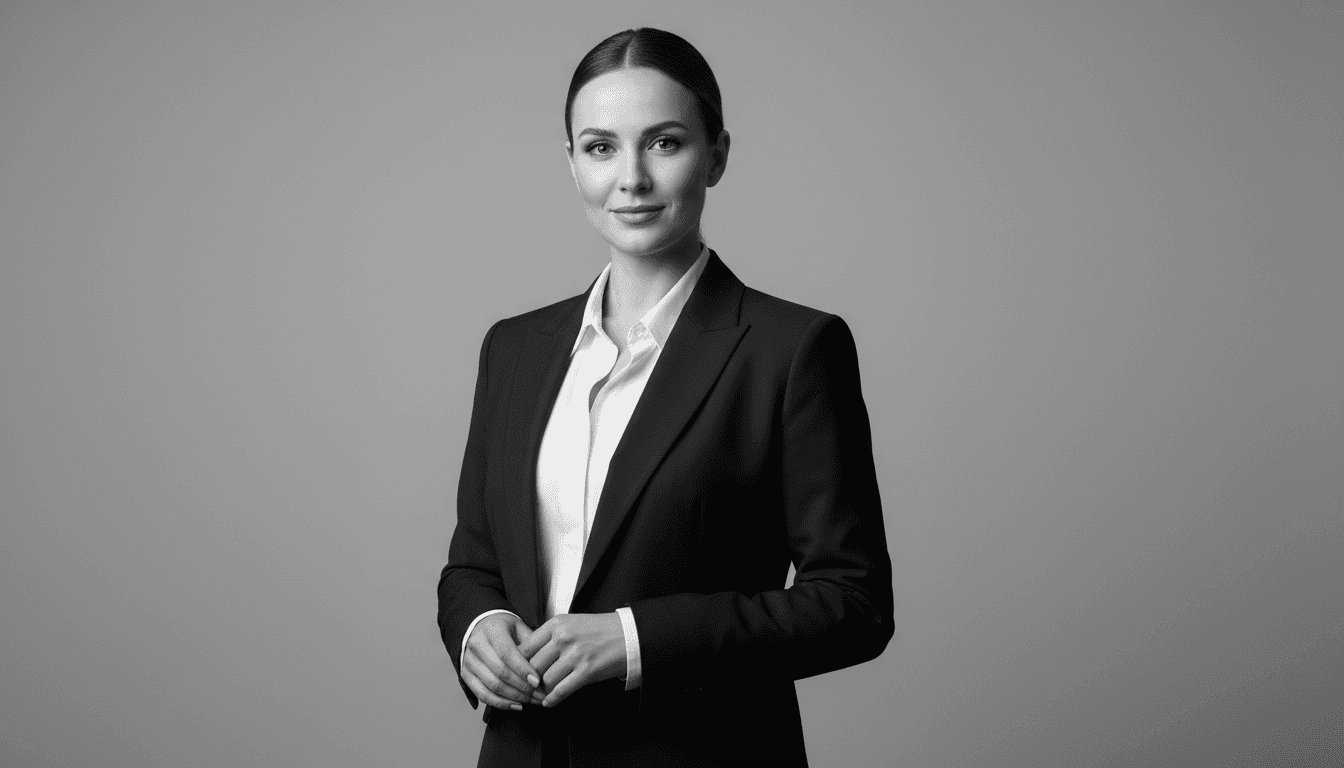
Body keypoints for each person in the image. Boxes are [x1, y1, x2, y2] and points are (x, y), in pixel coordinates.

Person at [437, 27, 893, 767]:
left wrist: (633, 641)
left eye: (665, 143)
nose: (632, 179)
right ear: (572, 163)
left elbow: (854, 604)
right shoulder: (514, 349)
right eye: (601, 147)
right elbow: (473, 563)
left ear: (717, 155)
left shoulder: (793, 350)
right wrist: (477, 627)